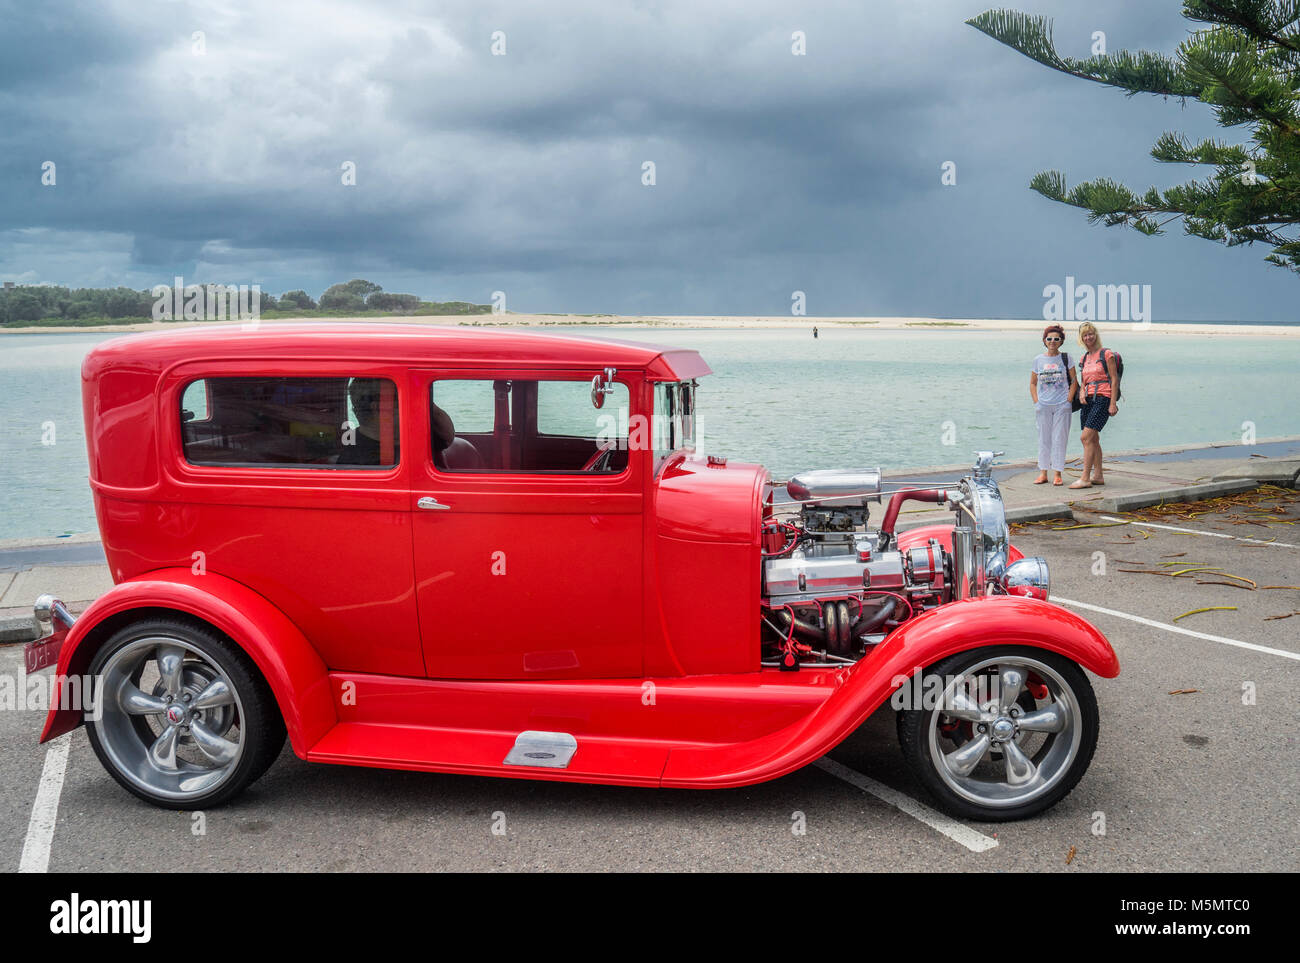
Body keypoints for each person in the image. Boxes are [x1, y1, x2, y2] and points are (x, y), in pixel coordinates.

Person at [1070, 322, 1120, 489]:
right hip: (1087, 400)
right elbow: (1084, 380)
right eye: (1084, 335)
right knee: (1093, 438)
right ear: (1081, 338)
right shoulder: (1084, 358)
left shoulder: (1106, 354)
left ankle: (1085, 478)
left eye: (1090, 334)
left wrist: (1112, 403)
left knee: (1085, 437)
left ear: (1096, 335)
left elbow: (1114, 379)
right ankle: (1098, 475)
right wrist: (1082, 392)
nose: (1088, 337)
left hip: (1103, 398)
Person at [1030, 324, 1077, 486]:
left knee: (1060, 439)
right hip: (1043, 405)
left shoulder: (1066, 358)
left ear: (1061, 341)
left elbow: (1074, 382)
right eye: (1049, 338)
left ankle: (1057, 473)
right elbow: (1032, 383)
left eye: (1056, 339)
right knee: (1044, 438)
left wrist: (1068, 401)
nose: (1052, 341)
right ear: (1044, 340)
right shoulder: (1038, 360)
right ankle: (1043, 473)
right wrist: (1037, 402)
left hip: (1062, 405)